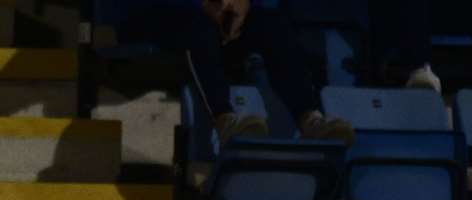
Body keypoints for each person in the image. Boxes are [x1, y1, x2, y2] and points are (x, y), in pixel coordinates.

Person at [116, 1, 354, 144]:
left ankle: (309, 119)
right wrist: (202, 5)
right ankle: (224, 120)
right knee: (199, 28)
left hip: (221, 18)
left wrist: (242, 4)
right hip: (165, 14)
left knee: (273, 24)